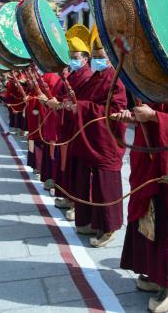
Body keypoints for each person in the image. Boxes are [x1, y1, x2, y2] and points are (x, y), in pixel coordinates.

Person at [117, 101, 168, 312]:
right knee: (146, 217)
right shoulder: (152, 85)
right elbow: (145, 113)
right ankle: (155, 275)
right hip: (146, 162)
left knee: (166, 223)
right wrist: (133, 116)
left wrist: (154, 116)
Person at [65, 25, 127, 247]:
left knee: (104, 186)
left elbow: (115, 112)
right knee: (87, 183)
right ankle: (91, 221)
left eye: (101, 57)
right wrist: (73, 104)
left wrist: (80, 108)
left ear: (110, 57)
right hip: (89, 139)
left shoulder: (115, 79)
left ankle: (108, 228)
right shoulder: (97, 77)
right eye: (95, 56)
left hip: (105, 142)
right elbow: (84, 99)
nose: (97, 60)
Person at [52, 24, 94, 217]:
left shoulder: (88, 77)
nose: (73, 61)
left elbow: (86, 102)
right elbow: (64, 97)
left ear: (85, 59)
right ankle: (68, 197)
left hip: (80, 128)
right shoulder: (74, 74)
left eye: (76, 58)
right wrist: (59, 103)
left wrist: (73, 106)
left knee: (78, 169)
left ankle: (77, 205)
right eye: (71, 58)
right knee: (67, 164)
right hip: (68, 125)